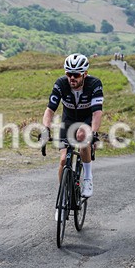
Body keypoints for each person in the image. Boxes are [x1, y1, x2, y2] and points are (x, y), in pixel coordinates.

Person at [41, 53, 103, 200]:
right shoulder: (61, 84)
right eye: (69, 74)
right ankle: (63, 195)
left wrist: (93, 133)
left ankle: (88, 178)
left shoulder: (94, 84)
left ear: (85, 74)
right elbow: (50, 110)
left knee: (82, 136)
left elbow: (97, 113)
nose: (72, 78)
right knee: (63, 160)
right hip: (68, 120)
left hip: (87, 119)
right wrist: (46, 129)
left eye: (76, 74)